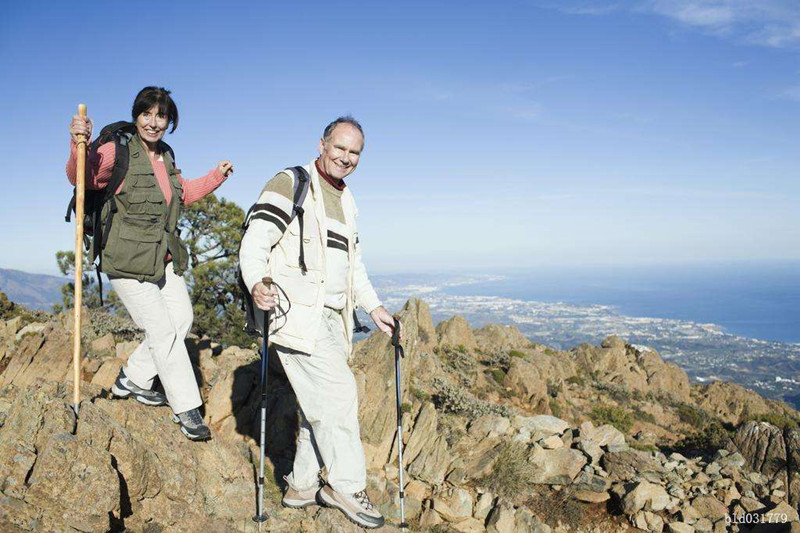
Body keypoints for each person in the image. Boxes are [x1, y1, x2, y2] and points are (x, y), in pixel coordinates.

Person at [239, 116, 399, 529]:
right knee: (340, 394)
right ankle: (346, 486)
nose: (346, 158)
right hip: (295, 315)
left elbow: (353, 264)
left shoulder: (347, 200)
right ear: (322, 144)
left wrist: (374, 307)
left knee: (317, 405)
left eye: (354, 152)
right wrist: (257, 282)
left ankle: (302, 485)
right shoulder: (290, 182)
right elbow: (254, 240)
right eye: (340, 148)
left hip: (335, 319)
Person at [66, 86, 233, 441]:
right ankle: (187, 409)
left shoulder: (166, 156)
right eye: (147, 114)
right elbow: (83, 175)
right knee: (162, 332)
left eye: (161, 116)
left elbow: (183, 193)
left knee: (181, 319)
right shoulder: (118, 150)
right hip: (125, 260)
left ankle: (133, 379)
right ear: (136, 115)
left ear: (169, 121)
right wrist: (79, 141)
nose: (153, 122)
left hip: (161, 256)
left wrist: (216, 176)